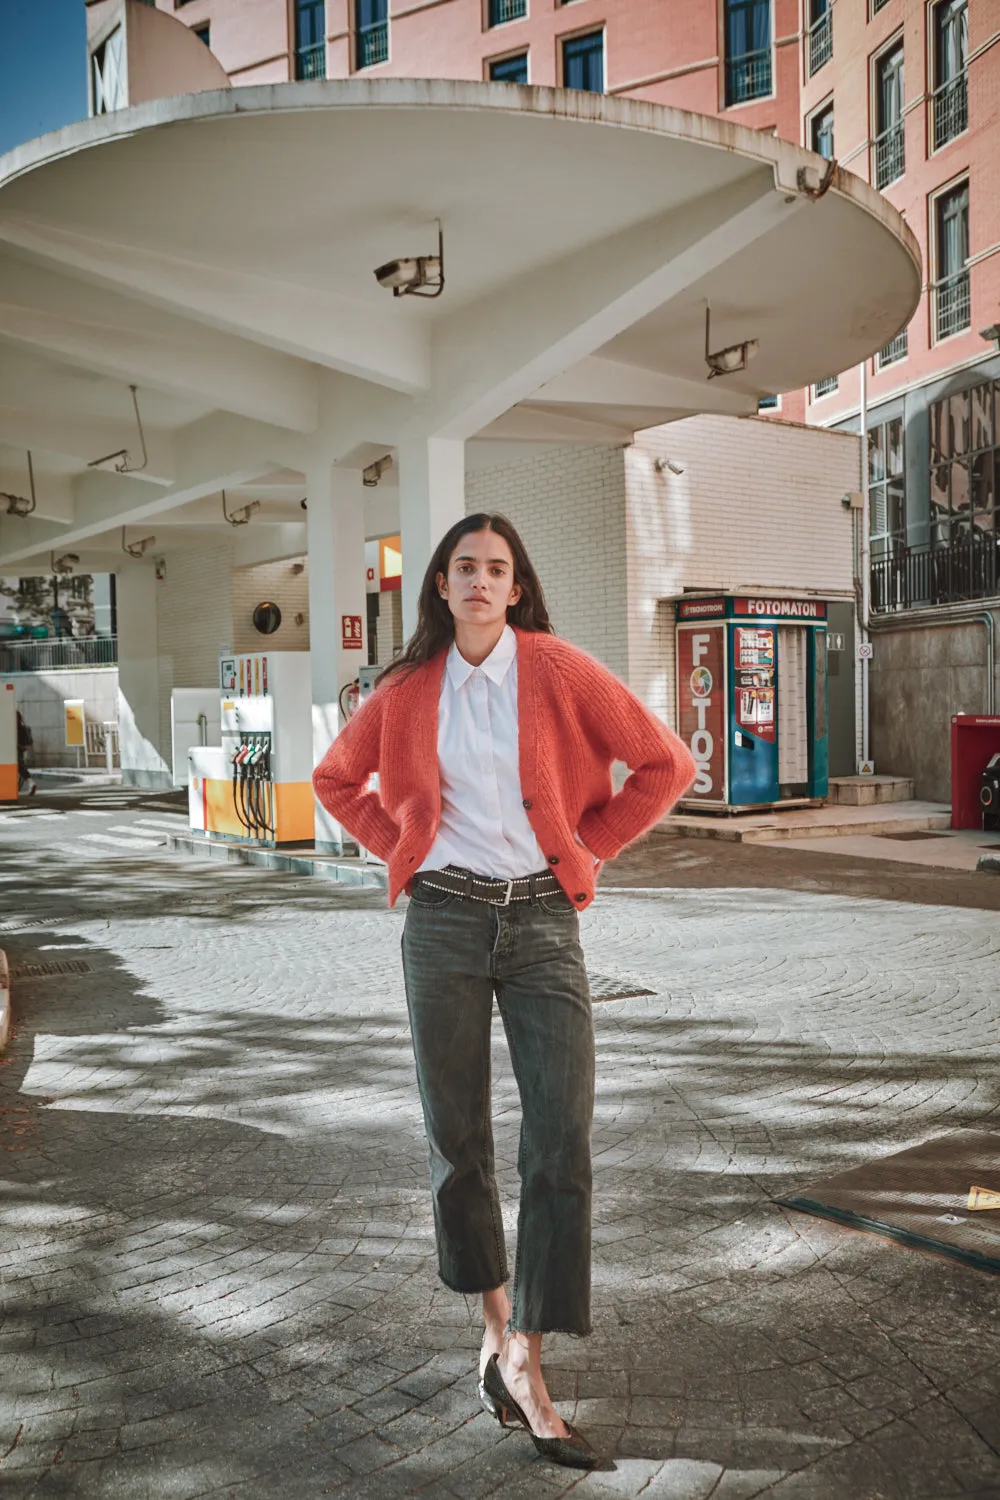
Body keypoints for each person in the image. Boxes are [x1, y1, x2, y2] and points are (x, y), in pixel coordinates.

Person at [313, 513, 695, 1468]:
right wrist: (403, 845)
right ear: (439, 586)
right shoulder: (406, 691)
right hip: (440, 919)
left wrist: (589, 846)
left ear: (516, 587)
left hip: (539, 921)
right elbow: (334, 777)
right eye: (463, 569)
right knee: (458, 1138)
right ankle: (495, 1335)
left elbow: (665, 764)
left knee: (561, 1137)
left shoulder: (558, 670)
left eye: (497, 569)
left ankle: (529, 1348)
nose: (480, 582)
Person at [16, 710, 36, 797]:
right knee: (20, 767)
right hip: (20, 750)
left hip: (14, 750)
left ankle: (30, 783)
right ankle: (31, 782)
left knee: (19, 767)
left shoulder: (10, 728)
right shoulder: (22, 728)